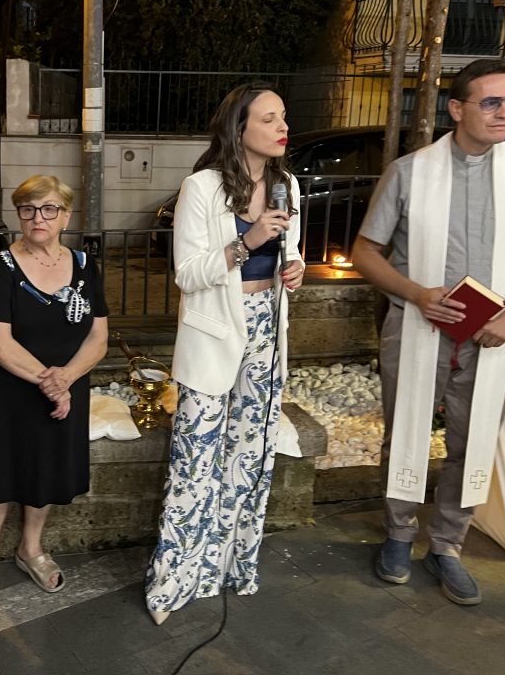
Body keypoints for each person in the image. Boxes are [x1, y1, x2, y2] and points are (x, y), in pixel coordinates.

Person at [352, 58, 505, 606]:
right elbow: (364, 253)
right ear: (457, 108)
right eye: (491, 102)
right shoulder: (410, 172)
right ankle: (399, 535)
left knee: (472, 441)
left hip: (492, 334)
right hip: (419, 325)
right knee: (406, 434)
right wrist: (416, 293)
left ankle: (447, 545)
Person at [144, 83, 305, 625]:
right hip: (216, 332)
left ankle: (229, 567)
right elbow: (188, 274)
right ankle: (174, 582)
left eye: (283, 117)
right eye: (270, 118)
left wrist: (295, 267)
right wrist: (248, 241)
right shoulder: (203, 188)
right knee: (197, 457)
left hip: (267, 330)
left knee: (248, 457)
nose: (283, 126)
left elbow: (291, 253)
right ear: (240, 128)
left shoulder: (289, 186)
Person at [0, 175, 109, 609]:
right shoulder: (1, 266)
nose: (37, 218)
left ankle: (30, 547)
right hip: (10, 390)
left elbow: (99, 338)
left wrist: (65, 380)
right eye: (28, 209)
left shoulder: (85, 266)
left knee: (46, 470)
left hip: (64, 390)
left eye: (48, 209)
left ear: (65, 216)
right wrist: (51, 382)